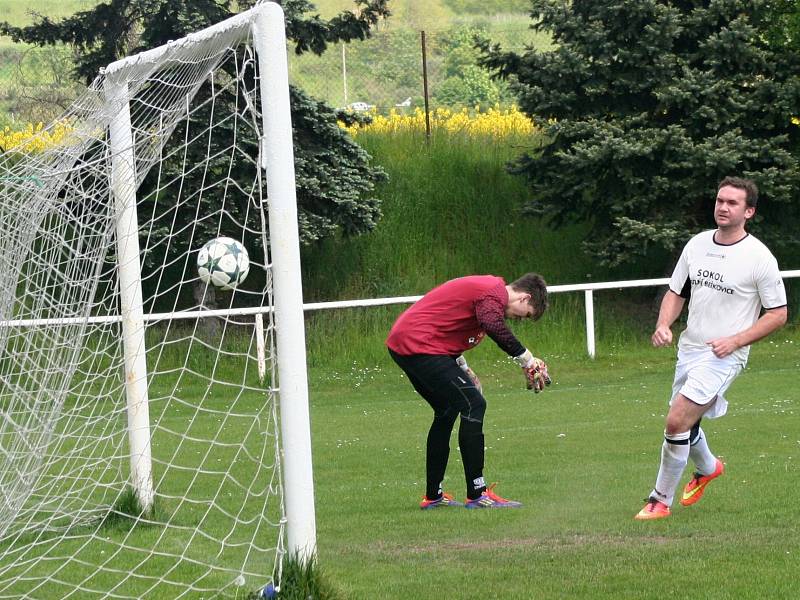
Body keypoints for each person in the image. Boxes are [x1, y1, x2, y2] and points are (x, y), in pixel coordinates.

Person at [635, 176, 787, 520]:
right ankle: (708, 467)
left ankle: (659, 500)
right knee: (685, 421)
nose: (723, 207)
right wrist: (663, 325)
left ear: (749, 211)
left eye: (733, 203)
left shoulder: (759, 257)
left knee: (676, 421)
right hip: (690, 349)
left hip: (726, 356)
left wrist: (735, 341)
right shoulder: (697, 244)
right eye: (720, 200)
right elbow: (677, 293)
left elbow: (778, 314)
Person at [386, 273, 551, 510]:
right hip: (419, 344)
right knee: (474, 404)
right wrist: (527, 360)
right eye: (524, 315)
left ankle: (433, 496)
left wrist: (463, 367)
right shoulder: (492, 293)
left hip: (408, 343)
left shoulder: (487, 295)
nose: (518, 319)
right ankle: (478, 494)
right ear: (524, 298)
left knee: (447, 409)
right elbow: (493, 325)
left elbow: (446, 325)